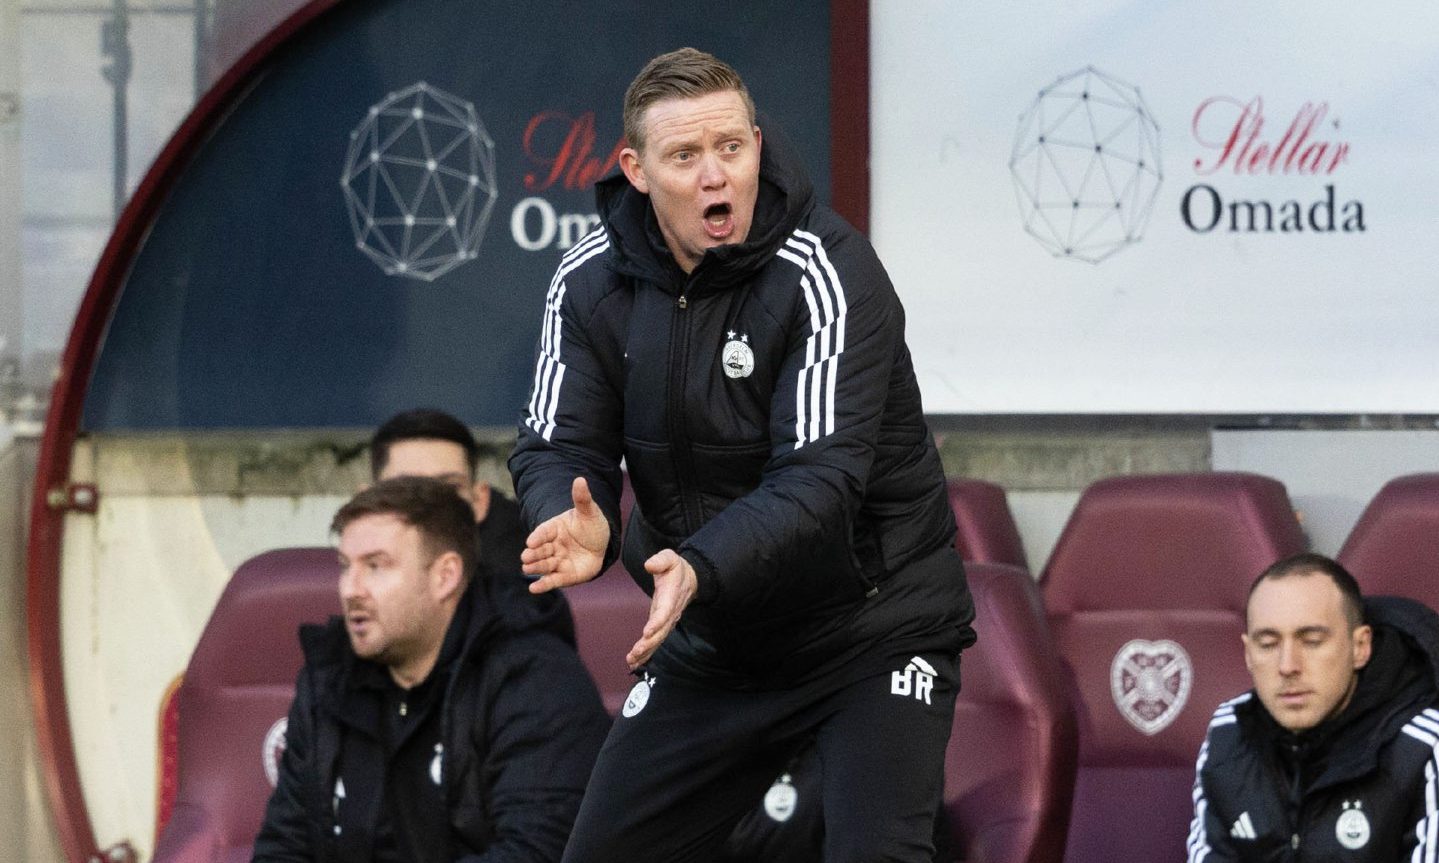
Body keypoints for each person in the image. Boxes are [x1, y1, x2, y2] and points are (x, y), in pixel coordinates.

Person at [510, 47, 975, 862]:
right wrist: (564, 512)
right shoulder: (586, 281)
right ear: (637, 169)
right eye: (685, 156)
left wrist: (694, 565)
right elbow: (555, 440)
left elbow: (820, 477)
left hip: (869, 626)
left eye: (730, 147)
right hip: (716, 640)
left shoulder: (828, 270)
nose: (714, 175)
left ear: (757, 145)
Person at [252, 477, 609, 862]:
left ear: (445, 576)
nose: (350, 589)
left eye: (375, 566)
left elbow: (538, 851)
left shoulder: (534, 677)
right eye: (344, 566)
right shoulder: (330, 678)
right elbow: (283, 846)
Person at [1187, 552, 1439, 862]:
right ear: (1248, 654)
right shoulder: (1229, 732)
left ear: (1360, 647)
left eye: (1312, 641)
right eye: (1268, 644)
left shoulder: (1423, 747)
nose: (1288, 665)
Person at [370, 408, 574, 644]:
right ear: (369, 503)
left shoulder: (526, 618)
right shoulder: (338, 634)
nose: (428, 506)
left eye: (449, 489)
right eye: (407, 489)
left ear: (479, 501)